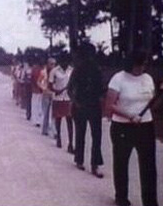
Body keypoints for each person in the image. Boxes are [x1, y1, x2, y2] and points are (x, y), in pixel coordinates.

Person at [106, 51, 159, 206]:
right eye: (138, 65)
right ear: (130, 64)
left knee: (148, 165)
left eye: (143, 65)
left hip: (145, 126)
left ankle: (150, 201)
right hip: (122, 127)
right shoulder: (118, 79)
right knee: (121, 163)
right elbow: (110, 105)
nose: (141, 68)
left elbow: (152, 101)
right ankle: (121, 198)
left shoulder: (147, 78)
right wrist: (129, 115)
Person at [68, 44, 104, 178]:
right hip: (81, 105)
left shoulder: (97, 70)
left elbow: (102, 88)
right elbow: (70, 88)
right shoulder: (77, 70)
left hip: (94, 106)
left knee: (97, 136)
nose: (90, 56)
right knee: (80, 134)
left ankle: (95, 164)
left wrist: (101, 100)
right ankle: (79, 159)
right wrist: (75, 102)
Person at [49, 54, 74, 153]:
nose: (65, 63)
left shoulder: (71, 70)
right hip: (58, 98)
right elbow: (50, 85)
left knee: (69, 121)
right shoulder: (54, 71)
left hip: (68, 98)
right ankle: (59, 138)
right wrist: (56, 90)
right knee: (58, 120)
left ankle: (70, 143)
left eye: (67, 61)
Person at [38, 57, 56, 136]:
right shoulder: (43, 72)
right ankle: (45, 129)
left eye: (54, 64)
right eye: (51, 64)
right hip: (46, 94)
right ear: (48, 64)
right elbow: (38, 82)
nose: (53, 66)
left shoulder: (55, 73)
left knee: (54, 114)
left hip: (54, 94)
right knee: (46, 112)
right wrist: (43, 88)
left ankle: (54, 131)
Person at [31, 59, 43, 127]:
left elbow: (32, 79)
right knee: (39, 106)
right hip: (39, 90)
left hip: (36, 90)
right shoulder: (42, 70)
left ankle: (36, 120)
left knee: (35, 105)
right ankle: (37, 120)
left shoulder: (34, 69)